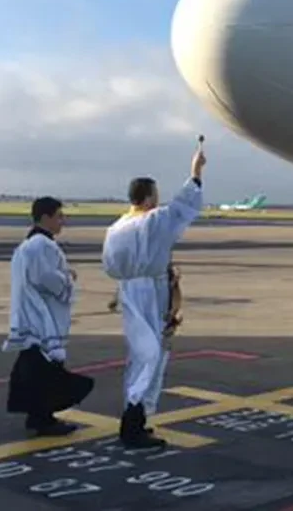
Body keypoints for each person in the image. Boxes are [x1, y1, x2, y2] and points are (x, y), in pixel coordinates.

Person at [102, 143, 206, 448]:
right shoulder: (153, 220)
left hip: (130, 291)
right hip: (151, 291)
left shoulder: (116, 227)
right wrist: (196, 172)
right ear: (148, 197)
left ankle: (138, 417)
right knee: (152, 354)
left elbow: (111, 266)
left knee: (143, 353)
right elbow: (184, 207)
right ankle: (133, 421)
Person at [3, 196, 95, 436]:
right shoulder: (42, 245)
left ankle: (38, 414)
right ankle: (43, 417)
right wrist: (68, 279)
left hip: (31, 312)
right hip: (42, 315)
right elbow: (46, 278)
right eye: (59, 216)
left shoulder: (28, 245)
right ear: (46, 218)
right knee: (45, 366)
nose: (63, 221)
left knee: (34, 364)